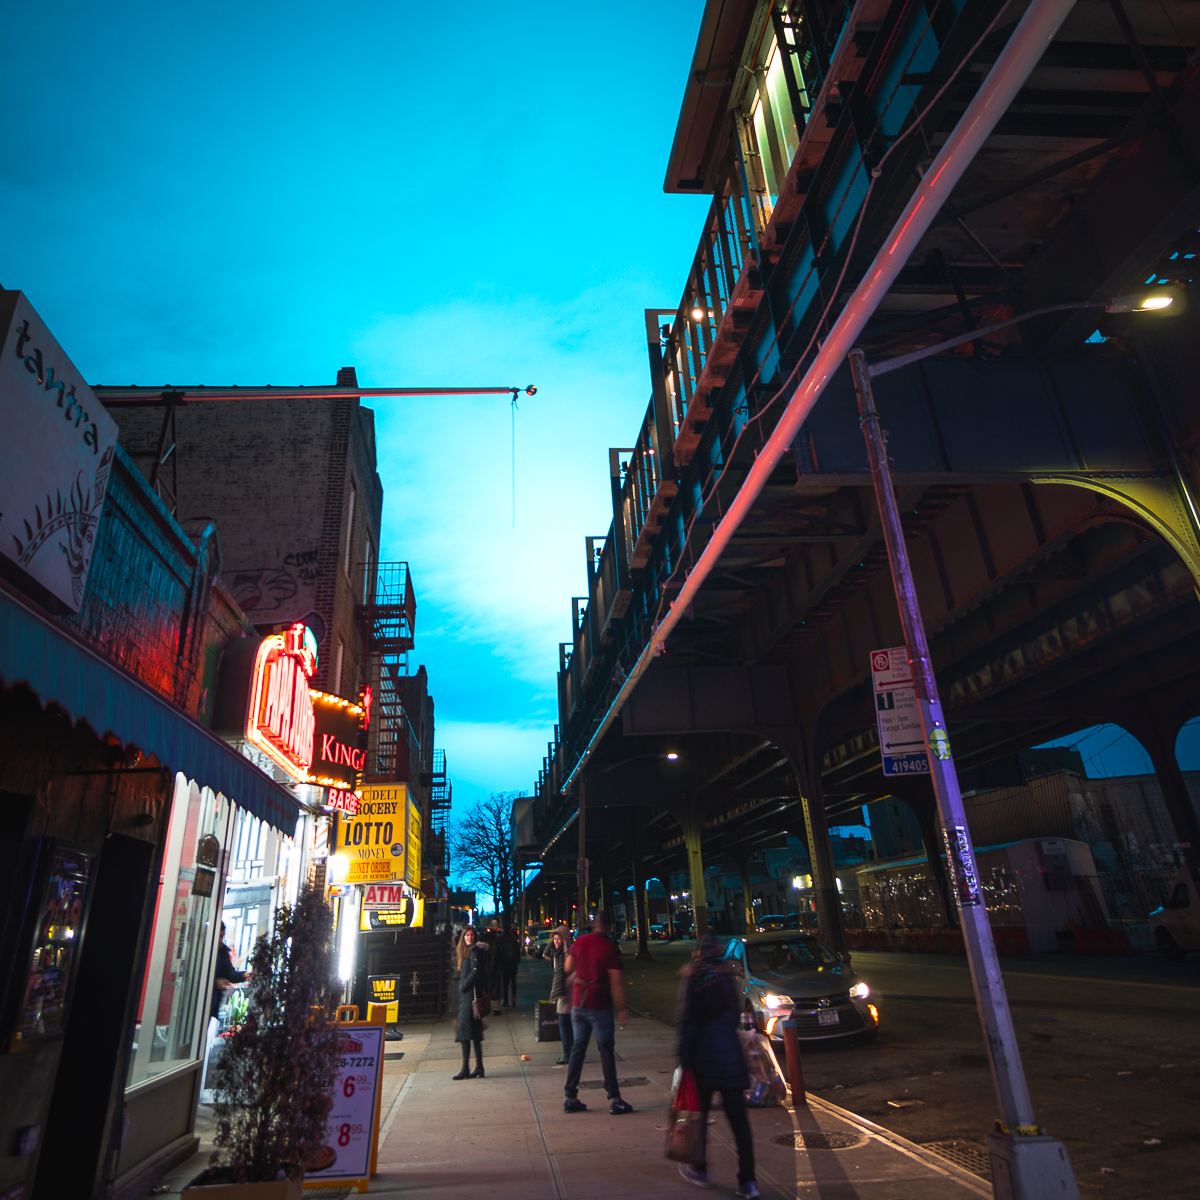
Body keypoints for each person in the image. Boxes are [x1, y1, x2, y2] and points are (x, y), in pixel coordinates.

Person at [675, 936, 757, 1198]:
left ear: (699, 953)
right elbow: (734, 1016)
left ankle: (699, 1168)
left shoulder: (695, 977)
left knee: (698, 1117)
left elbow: (687, 1021)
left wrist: (683, 1059)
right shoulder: (725, 978)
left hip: (703, 1057)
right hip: (730, 1055)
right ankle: (748, 1181)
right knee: (739, 1123)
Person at [562, 911, 633, 1115]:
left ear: (594, 925)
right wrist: (622, 1010)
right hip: (598, 1004)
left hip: (578, 1003)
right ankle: (614, 1098)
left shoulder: (581, 941)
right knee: (605, 1050)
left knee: (578, 1048)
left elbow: (568, 967)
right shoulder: (610, 948)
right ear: (610, 927)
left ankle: (570, 1097)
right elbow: (616, 982)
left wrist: (579, 968)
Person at [453, 926, 487, 1079]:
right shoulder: (467, 952)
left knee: (466, 1033)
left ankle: (466, 1068)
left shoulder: (474, 951)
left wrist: (463, 985)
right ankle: (478, 1067)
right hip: (468, 997)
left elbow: (476, 973)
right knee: (473, 1033)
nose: (469, 937)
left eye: (472, 935)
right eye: (467, 935)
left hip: (470, 997)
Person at [545, 926, 573, 1065]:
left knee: (564, 1022)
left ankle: (567, 1053)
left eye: (558, 938)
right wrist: (554, 989)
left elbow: (576, 970)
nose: (556, 941)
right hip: (561, 990)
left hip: (569, 991)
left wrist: (568, 980)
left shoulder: (569, 952)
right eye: (554, 939)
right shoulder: (557, 953)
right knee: (566, 1022)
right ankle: (571, 1052)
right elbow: (557, 973)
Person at [210, 923, 248, 1020]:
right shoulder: (202, 950)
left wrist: (244, 975)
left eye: (222, 936)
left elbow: (230, 973)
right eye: (219, 936)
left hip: (212, 1006)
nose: (220, 940)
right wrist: (213, 982)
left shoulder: (222, 952)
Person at [498, 924, 521, 1007]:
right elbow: (517, 950)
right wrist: (517, 961)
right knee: (513, 981)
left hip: (505, 964)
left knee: (505, 983)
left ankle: (506, 1000)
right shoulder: (514, 938)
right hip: (513, 963)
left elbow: (499, 951)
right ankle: (514, 997)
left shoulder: (501, 939)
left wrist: (501, 962)